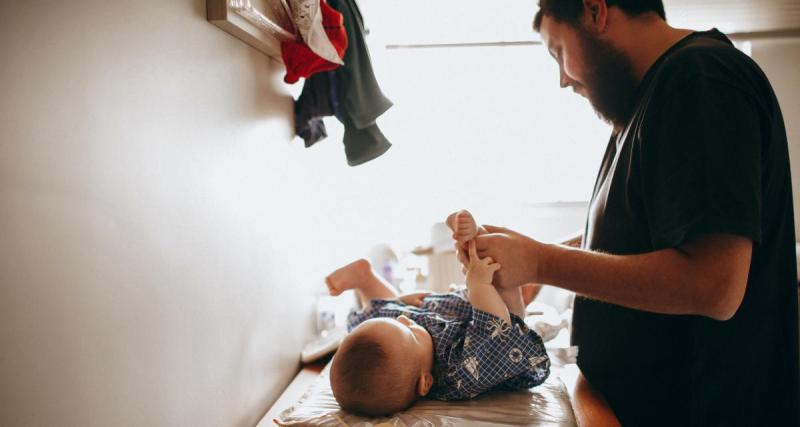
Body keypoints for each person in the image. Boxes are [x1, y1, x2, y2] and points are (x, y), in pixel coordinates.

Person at [454, 0, 799, 425]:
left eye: (558, 52)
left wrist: (542, 261)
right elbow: (645, 234)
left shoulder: (701, 79)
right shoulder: (651, 100)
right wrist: (530, 260)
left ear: (595, 11)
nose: (563, 79)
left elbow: (715, 287)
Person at [326, 211, 549, 416]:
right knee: (508, 302)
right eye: (409, 331)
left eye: (400, 319)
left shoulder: (408, 348)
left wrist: (402, 303)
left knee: (373, 320)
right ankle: (479, 246)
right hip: (490, 314)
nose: (405, 319)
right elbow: (496, 330)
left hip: (441, 309)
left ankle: (366, 280)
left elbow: (396, 322)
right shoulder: (457, 373)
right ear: (426, 382)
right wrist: (478, 283)